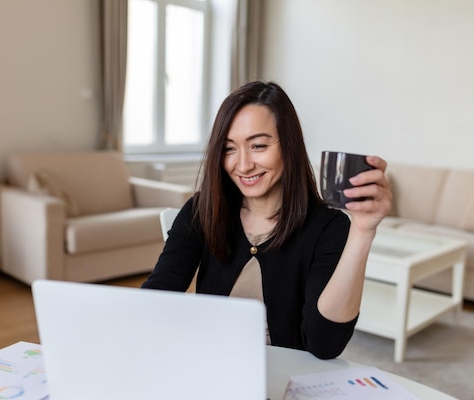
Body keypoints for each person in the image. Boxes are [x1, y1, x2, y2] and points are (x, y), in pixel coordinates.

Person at [142, 81, 392, 359]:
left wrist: (363, 232)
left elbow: (324, 344)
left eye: (258, 145)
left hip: (285, 377)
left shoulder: (327, 227)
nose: (244, 164)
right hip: (210, 364)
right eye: (229, 149)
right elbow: (156, 298)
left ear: (289, 146)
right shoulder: (203, 210)